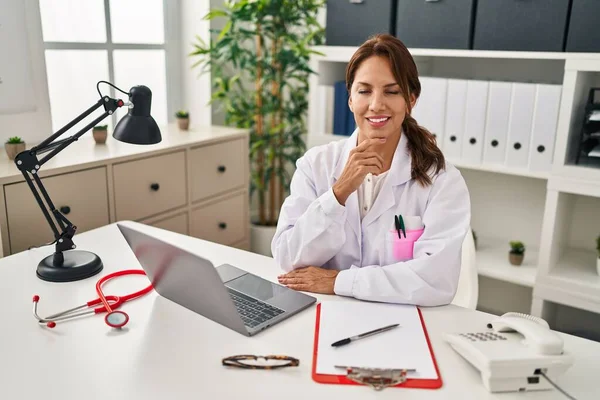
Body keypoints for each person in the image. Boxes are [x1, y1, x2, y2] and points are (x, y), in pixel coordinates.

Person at [271, 34, 471, 306]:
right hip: (327, 314)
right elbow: (287, 258)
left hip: (401, 321)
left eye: (392, 91)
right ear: (351, 99)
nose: (377, 104)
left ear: (410, 99)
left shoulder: (442, 180)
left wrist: (338, 281)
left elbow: (436, 281)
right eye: (364, 91)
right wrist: (338, 193)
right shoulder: (315, 165)